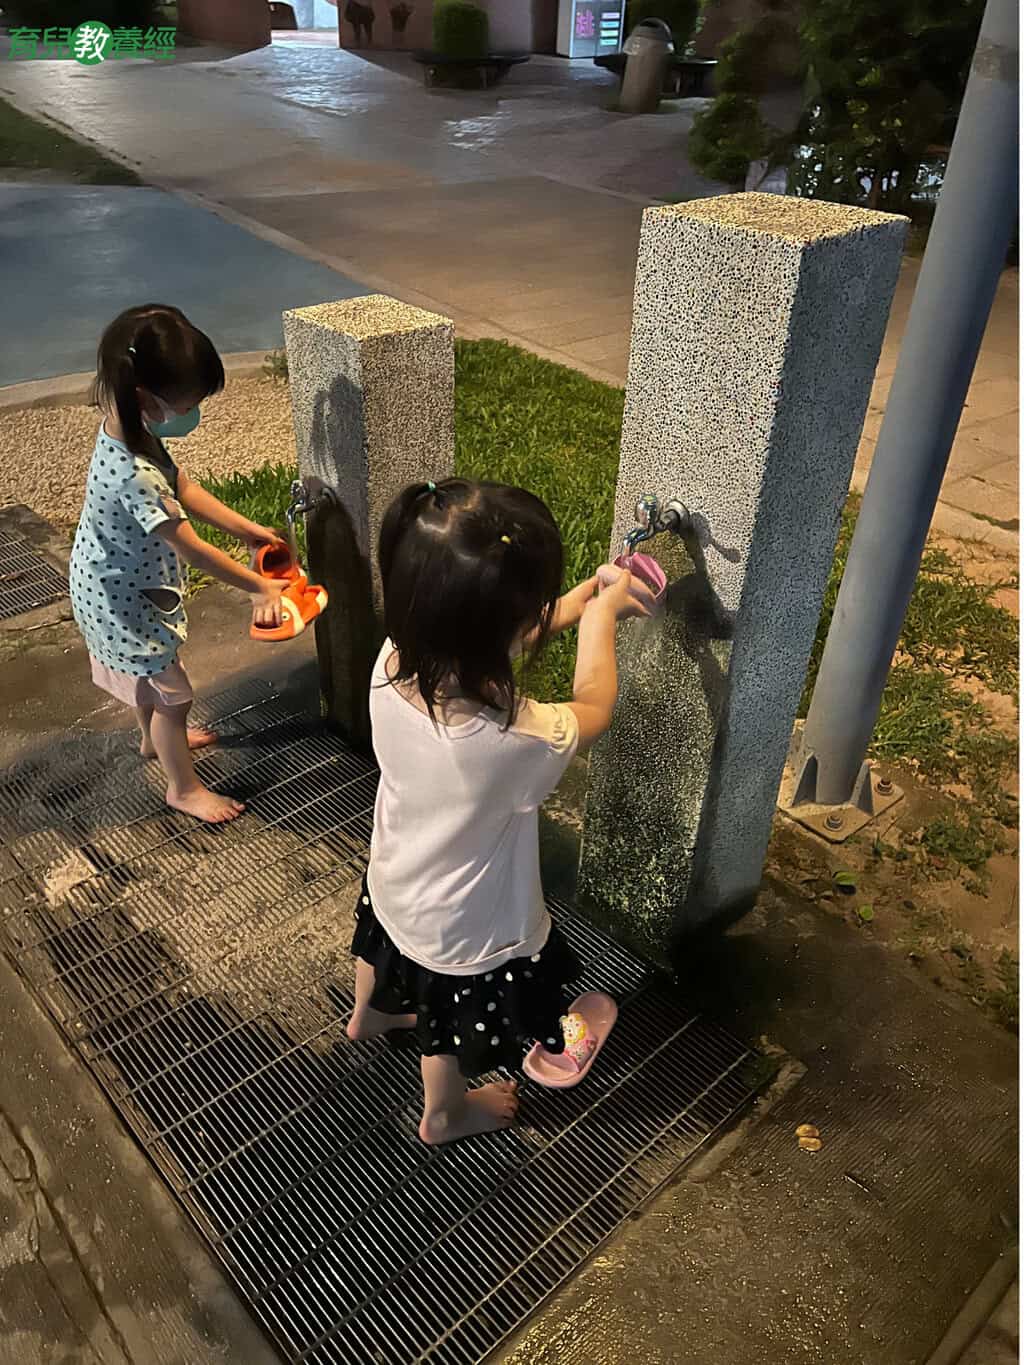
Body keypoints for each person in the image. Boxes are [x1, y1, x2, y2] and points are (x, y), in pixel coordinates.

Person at [348, 478, 654, 1144]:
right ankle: (446, 1112)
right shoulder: (517, 740)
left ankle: (366, 1016)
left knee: (384, 942)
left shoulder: (395, 656)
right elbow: (594, 706)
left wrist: (578, 603)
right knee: (445, 1023)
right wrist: (600, 624)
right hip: (463, 929)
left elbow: (480, 630)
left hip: (394, 874)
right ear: (502, 631)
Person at [69, 304, 290, 824]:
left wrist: (248, 529)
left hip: (115, 584)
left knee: (149, 680)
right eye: (188, 404)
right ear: (147, 398)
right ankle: (183, 787)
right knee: (175, 695)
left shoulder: (130, 430)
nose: (193, 414)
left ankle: (152, 741)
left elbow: (183, 488)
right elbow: (190, 545)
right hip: (121, 600)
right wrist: (258, 586)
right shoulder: (133, 475)